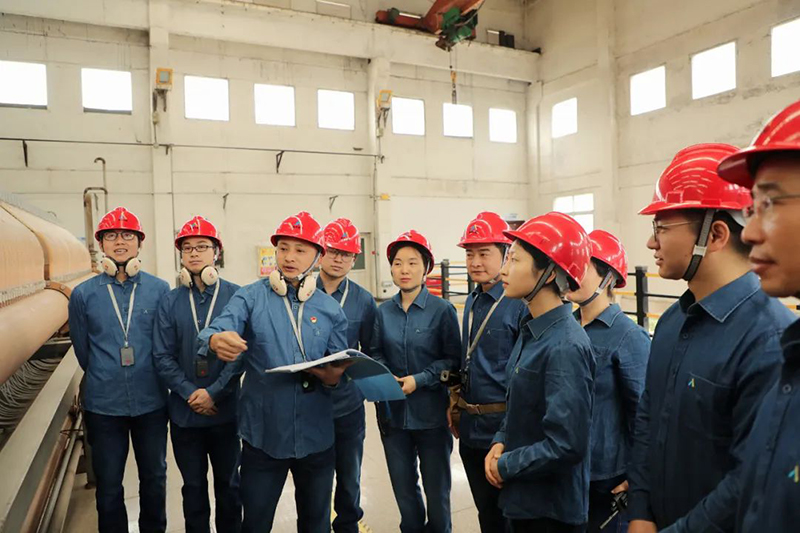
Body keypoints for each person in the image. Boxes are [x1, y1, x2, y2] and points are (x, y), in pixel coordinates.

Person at [626, 144, 797, 533]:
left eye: (661, 228)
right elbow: (648, 418)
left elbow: (749, 476)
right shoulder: (672, 322)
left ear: (715, 234)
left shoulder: (768, 338)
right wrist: (640, 510)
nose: (652, 243)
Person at [197, 211, 350, 533]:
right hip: (263, 436)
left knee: (316, 523)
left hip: (316, 435)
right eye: (283, 248)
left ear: (318, 256)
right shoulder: (250, 297)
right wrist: (214, 338)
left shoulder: (330, 309)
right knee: (255, 522)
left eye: (300, 250)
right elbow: (221, 325)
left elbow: (339, 362)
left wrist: (334, 377)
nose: (289, 257)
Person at [716, 98, 800, 533]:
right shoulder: (791, 361)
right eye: (752, 206)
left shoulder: (768, 336)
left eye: (769, 203)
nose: (748, 232)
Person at [484, 211, 595, 533]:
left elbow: (566, 444)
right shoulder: (531, 329)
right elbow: (520, 405)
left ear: (548, 273)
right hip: (524, 499)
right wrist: (501, 439)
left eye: (515, 260)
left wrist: (506, 464)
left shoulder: (565, 346)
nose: (504, 270)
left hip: (550, 512)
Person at [68, 207, 170, 533]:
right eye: (111, 236)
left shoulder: (159, 290)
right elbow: (83, 350)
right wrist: (106, 371)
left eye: (128, 235)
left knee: (154, 478)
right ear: (101, 244)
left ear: (140, 243)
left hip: (151, 402)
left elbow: (165, 343)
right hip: (104, 406)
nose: (120, 241)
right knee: (109, 484)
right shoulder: (83, 294)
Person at [153, 216, 242, 533]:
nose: (193, 253)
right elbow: (162, 356)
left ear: (217, 252)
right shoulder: (170, 301)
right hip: (185, 415)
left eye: (202, 246)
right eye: (187, 247)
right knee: (192, 488)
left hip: (226, 413)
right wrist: (191, 393)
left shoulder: (236, 297)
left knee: (229, 486)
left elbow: (241, 354)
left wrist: (214, 392)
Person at [371, 230, 461, 533]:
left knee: (437, 490)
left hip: (431, 416)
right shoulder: (383, 312)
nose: (404, 270)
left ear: (426, 268)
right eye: (398, 263)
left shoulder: (442, 311)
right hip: (393, 417)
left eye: (412, 263)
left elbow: (452, 360)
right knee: (403, 488)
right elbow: (375, 352)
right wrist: (386, 377)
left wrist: (419, 380)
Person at [566, 230, 650, 532]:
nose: (572, 273)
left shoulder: (629, 337)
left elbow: (644, 414)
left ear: (608, 277)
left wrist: (639, 476)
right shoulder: (564, 328)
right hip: (562, 468)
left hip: (605, 477)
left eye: (583, 267)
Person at [449, 212, 526, 533]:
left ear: (506, 254)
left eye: (484, 253)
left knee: (509, 515)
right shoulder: (472, 300)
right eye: (470, 254)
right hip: (470, 429)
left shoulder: (518, 304)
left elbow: (525, 378)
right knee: (487, 515)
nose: (475, 262)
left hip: (503, 433)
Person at [317, 218, 377, 533]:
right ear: (320, 252)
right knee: (315, 474)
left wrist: (361, 389)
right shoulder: (299, 292)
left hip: (347, 404)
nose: (339, 259)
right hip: (309, 401)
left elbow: (371, 351)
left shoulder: (364, 300)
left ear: (354, 259)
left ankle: (348, 525)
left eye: (347, 254)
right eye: (333, 251)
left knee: (349, 474)